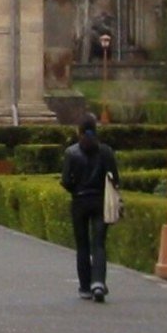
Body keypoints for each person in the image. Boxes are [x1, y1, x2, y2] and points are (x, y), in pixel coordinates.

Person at [61, 114, 120, 303]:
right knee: (99, 244)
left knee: (82, 245)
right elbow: (115, 179)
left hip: (79, 201)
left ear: (78, 132)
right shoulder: (105, 152)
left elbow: (65, 181)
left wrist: (75, 189)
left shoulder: (71, 153)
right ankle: (98, 283)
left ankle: (85, 287)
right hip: (100, 202)